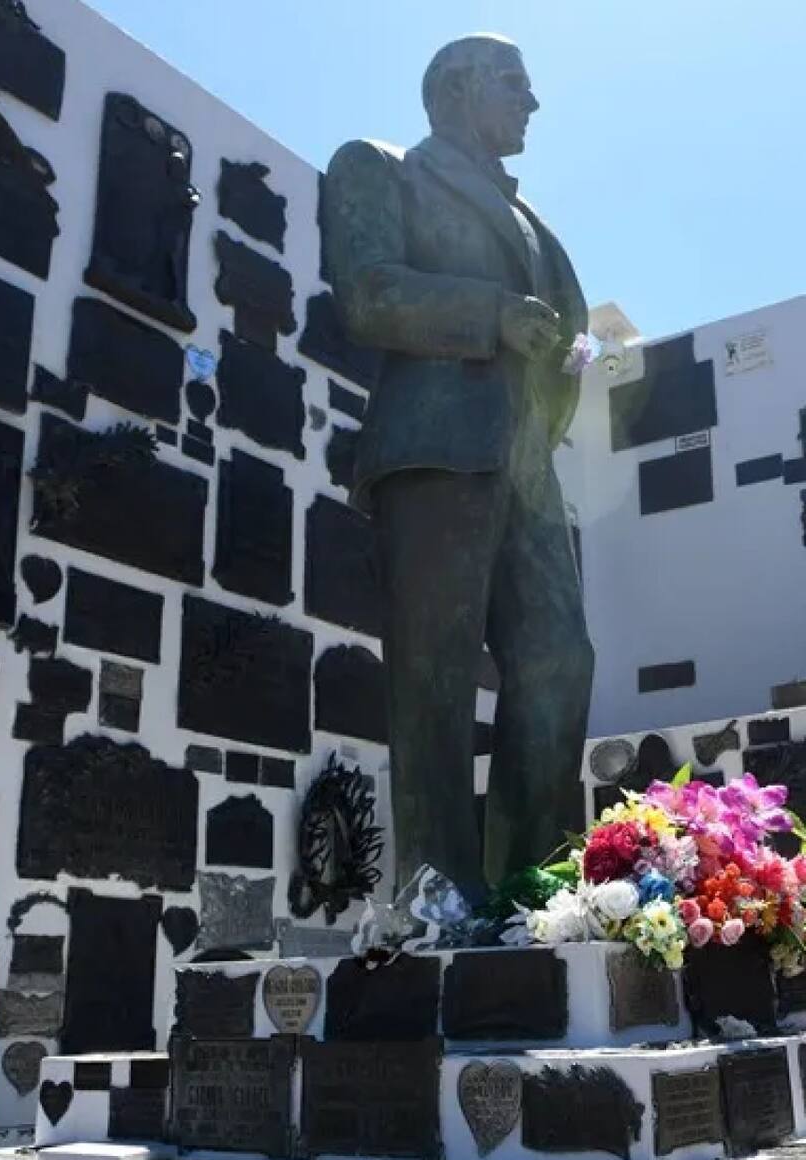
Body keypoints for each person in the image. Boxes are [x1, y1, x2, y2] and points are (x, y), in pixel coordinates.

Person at [322, 34, 594, 905]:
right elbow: (368, 293)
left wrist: (556, 389)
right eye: (513, 84)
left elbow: (567, 342)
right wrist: (492, 314)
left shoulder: (533, 219)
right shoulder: (380, 167)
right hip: (436, 449)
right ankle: (440, 898)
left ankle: (533, 893)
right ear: (455, 89)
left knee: (558, 661)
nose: (531, 102)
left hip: (525, 465)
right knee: (433, 679)